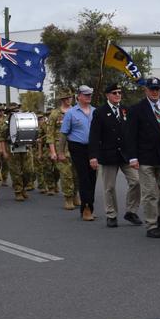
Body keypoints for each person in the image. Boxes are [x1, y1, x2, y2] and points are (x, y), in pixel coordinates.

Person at [124, 76, 160, 237]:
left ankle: (158, 215)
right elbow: (130, 135)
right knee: (149, 193)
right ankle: (151, 225)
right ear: (146, 90)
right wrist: (132, 157)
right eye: (151, 89)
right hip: (145, 157)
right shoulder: (136, 109)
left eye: (157, 89)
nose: (154, 92)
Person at [89, 82, 131, 228]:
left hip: (126, 154)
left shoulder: (126, 109)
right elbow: (94, 136)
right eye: (115, 93)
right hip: (108, 154)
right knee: (109, 187)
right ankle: (111, 214)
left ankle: (131, 211)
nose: (118, 95)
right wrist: (93, 156)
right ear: (108, 95)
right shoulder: (100, 112)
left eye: (119, 92)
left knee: (136, 182)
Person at [61, 85, 98, 220]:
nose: (88, 97)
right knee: (84, 178)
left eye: (90, 95)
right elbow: (64, 134)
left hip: (93, 149)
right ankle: (86, 208)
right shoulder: (71, 113)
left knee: (92, 178)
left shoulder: (95, 111)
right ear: (79, 96)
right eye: (86, 95)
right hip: (77, 148)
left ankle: (90, 205)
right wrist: (60, 152)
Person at [47, 90, 77, 210]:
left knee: (77, 175)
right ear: (62, 99)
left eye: (70, 97)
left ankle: (75, 194)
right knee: (66, 175)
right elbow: (50, 135)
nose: (69, 99)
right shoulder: (54, 114)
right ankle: (68, 198)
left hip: (76, 147)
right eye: (66, 98)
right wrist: (53, 151)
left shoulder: (76, 111)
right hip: (62, 149)